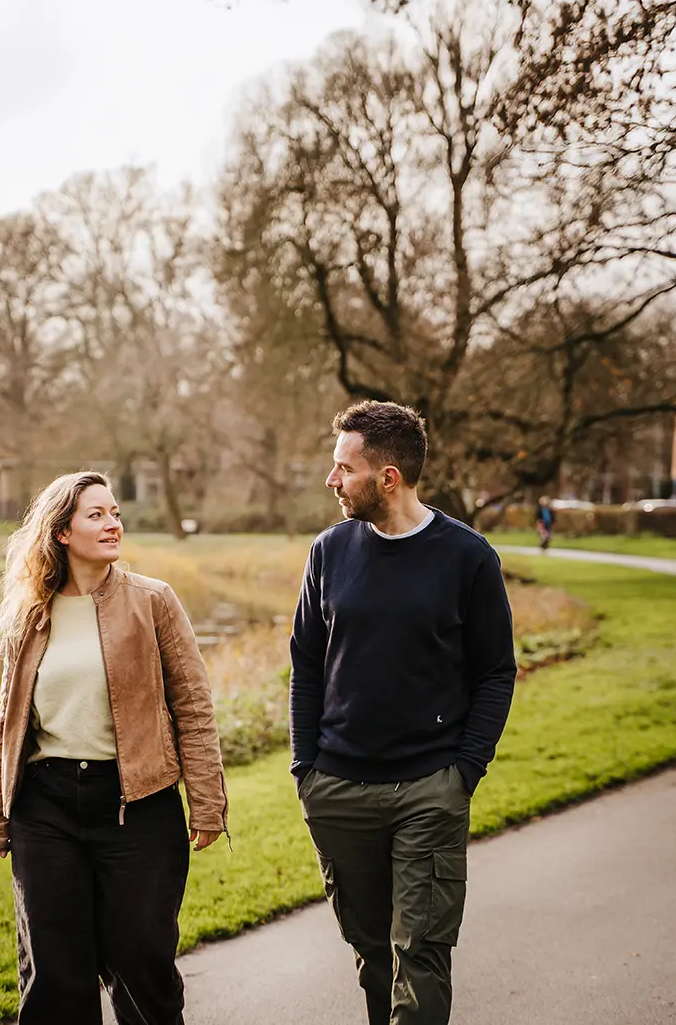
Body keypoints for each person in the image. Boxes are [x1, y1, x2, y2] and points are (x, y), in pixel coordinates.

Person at [291, 402, 518, 1025]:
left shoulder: (468, 558)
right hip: (337, 789)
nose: (332, 481)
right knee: (371, 953)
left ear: (387, 478)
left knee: (421, 954)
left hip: (428, 789)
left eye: (344, 468)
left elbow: (496, 672)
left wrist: (464, 770)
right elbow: (306, 666)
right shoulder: (329, 552)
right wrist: (305, 768)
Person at [0, 471, 227, 1025]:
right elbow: (8, 723)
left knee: (141, 966)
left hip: (137, 804)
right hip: (46, 809)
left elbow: (193, 706)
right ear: (61, 532)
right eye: (96, 515)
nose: (113, 523)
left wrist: (208, 802)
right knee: (55, 974)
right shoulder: (28, 613)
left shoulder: (153, 601)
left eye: (115, 512)